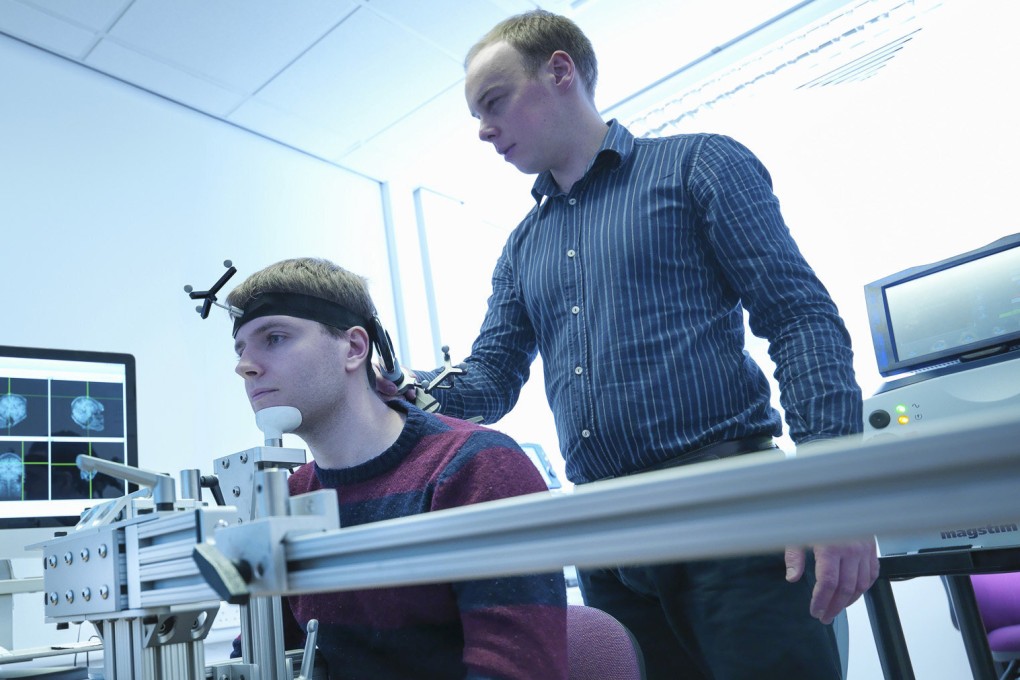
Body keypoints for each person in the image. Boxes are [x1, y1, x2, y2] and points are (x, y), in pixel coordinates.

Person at [383, 10, 880, 680]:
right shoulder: (522, 248)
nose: (482, 130)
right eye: (477, 115)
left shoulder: (699, 164)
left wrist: (832, 483)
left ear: (559, 71)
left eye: (494, 103)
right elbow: (491, 382)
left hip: (732, 516)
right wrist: (400, 390)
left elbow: (799, 318)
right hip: (609, 538)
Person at [227, 257, 567, 680]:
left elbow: (517, 672)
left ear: (353, 347)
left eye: (274, 338)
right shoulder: (291, 498)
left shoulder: (476, 470)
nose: (245, 365)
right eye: (240, 350)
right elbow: (261, 654)